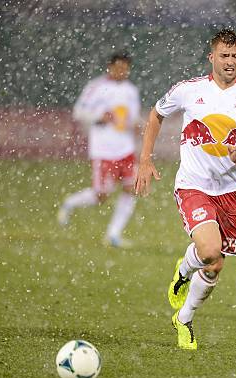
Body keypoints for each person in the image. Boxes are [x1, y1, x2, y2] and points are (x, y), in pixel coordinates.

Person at [135, 29, 236, 350]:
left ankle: (183, 318)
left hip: (231, 193)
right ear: (212, 57)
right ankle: (182, 272)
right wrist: (144, 159)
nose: (230, 62)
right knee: (208, 250)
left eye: (235, 56)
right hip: (193, 186)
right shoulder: (189, 90)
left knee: (216, 265)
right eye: (224, 55)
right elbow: (156, 114)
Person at [57, 52, 141, 248]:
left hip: (126, 148)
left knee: (131, 188)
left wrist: (137, 125)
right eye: (118, 67)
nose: (122, 72)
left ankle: (113, 235)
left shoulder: (131, 90)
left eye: (125, 68)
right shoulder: (95, 87)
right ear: (110, 67)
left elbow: (132, 117)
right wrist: (98, 117)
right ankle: (70, 203)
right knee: (101, 195)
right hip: (103, 150)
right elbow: (79, 112)